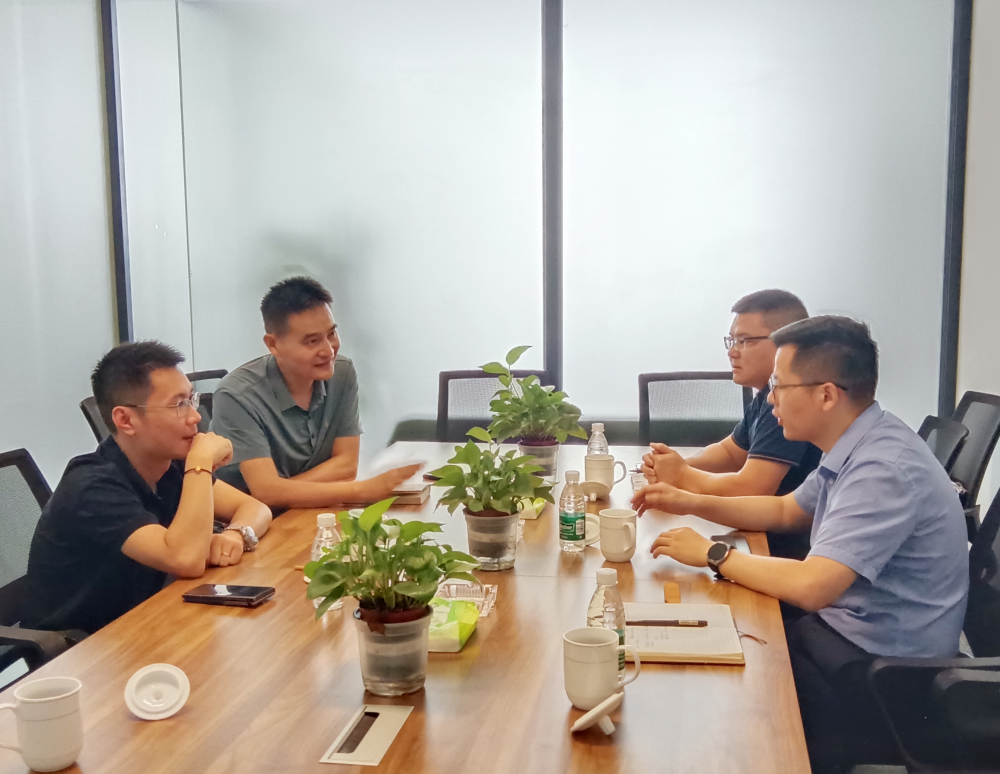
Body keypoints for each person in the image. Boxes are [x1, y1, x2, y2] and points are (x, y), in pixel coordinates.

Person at [633, 316, 969, 774]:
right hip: (850, 639)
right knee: (709, 643)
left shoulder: (883, 468)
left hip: (884, 674)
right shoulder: (859, 441)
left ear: (826, 395)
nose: (770, 398)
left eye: (779, 385)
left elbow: (813, 586)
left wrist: (713, 553)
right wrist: (688, 501)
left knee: (717, 696)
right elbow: (787, 510)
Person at [22, 342, 272, 634]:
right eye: (178, 405)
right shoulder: (91, 486)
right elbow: (185, 559)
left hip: (148, 617)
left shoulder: (169, 464)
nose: (196, 416)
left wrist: (235, 534)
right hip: (83, 647)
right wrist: (201, 463)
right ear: (125, 420)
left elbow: (255, 508)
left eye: (191, 399)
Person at [210, 276, 419, 509]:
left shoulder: (341, 373)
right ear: (273, 344)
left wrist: (282, 492)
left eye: (331, 334)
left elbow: (346, 465)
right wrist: (363, 490)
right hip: (246, 523)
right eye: (312, 341)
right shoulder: (237, 394)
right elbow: (266, 492)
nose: (328, 351)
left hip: (311, 509)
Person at [643, 289, 821, 559]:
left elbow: (752, 489)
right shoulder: (767, 395)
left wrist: (683, 476)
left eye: (744, 341)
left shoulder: (788, 404)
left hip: (786, 549)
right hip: (764, 533)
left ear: (786, 344)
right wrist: (678, 465)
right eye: (732, 340)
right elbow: (730, 451)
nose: (732, 352)